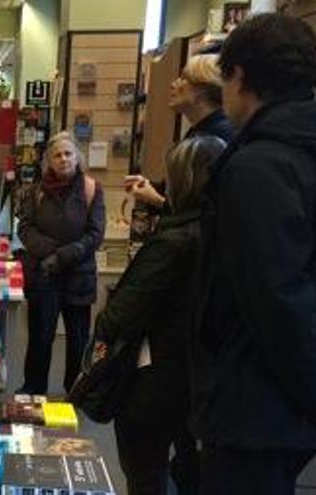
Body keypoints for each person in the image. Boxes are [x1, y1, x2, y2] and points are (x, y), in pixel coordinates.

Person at [191, 14, 316, 494]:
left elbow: (275, 296)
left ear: (239, 77)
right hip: (280, 406)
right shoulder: (297, 150)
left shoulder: (257, 166)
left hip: (252, 405)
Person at [99, 136, 226, 495]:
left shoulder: (173, 242)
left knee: (145, 472)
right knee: (190, 466)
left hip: (154, 377)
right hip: (203, 376)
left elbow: (119, 315)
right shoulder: (226, 231)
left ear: (180, 181)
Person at [18, 131, 105, 395]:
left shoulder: (92, 189)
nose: (63, 159)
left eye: (68, 154)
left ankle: (75, 390)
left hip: (79, 275)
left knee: (78, 339)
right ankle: (34, 389)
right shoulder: (36, 192)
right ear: (48, 161)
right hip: (45, 273)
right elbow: (25, 228)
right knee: (40, 337)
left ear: (77, 157)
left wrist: (65, 255)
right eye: (57, 155)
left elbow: (95, 234)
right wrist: (51, 253)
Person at [125, 54, 234, 209]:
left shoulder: (215, 140)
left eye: (183, 79)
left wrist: (157, 201)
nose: (173, 84)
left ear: (201, 93)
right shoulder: (203, 130)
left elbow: (201, 213)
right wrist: (152, 188)